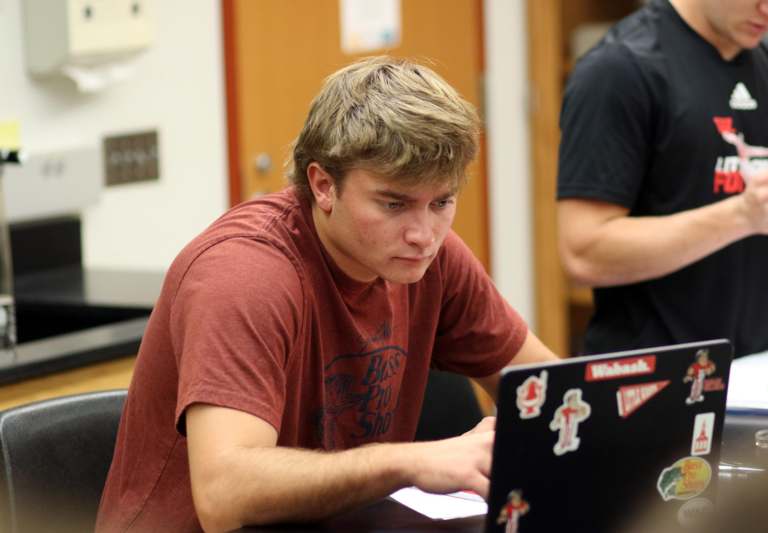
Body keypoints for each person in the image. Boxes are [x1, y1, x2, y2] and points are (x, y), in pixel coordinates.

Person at [95, 56, 558, 533]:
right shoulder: (244, 276)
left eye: (442, 202)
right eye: (393, 203)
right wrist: (411, 461)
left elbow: (553, 392)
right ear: (323, 186)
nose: (423, 235)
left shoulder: (427, 258)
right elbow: (223, 497)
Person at [557, 0, 768, 357]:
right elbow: (583, 253)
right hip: (653, 373)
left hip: (759, 364)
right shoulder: (618, 69)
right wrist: (742, 216)